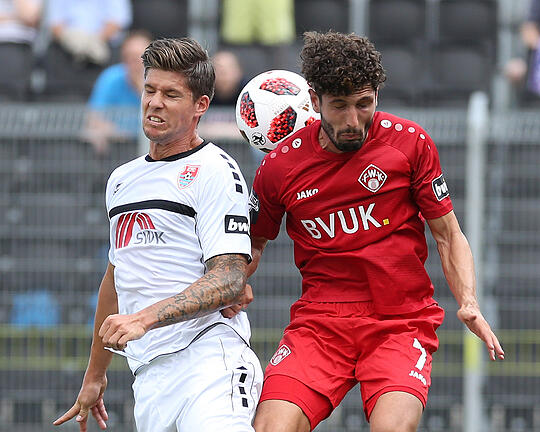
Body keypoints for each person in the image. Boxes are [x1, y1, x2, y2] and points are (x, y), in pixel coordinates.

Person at [234, 31, 505, 431]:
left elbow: (448, 234)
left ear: (376, 94)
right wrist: (236, 280)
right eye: (339, 106)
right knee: (271, 427)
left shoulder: (409, 144)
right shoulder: (279, 167)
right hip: (321, 323)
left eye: (364, 104)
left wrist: (468, 301)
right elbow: (253, 242)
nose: (351, 121)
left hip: (400, 321)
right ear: (314, 100)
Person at [53, 37, 262, 432]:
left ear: (200, 105)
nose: (155, 102)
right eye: (149, 90)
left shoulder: (215, 169)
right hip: (148, 376)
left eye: (171, 94)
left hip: (208, 364)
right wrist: (95, 375)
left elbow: (231, 277)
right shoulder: (121, 180)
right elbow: (117, 278)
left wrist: (145, 319)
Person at [84, 30, 152, 155]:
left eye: (139, 58)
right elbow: (94, 118)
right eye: (129, 57)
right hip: (118, 148)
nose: (135, 63)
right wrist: (122, 135)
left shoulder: (162, 79)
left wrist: (143, 89)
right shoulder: (111, 77)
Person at [45, 0, 131, 65]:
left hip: (105, 51)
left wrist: (92, 43)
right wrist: (75, 43)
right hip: (67, 51)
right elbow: (55, 25)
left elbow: (117, 21)